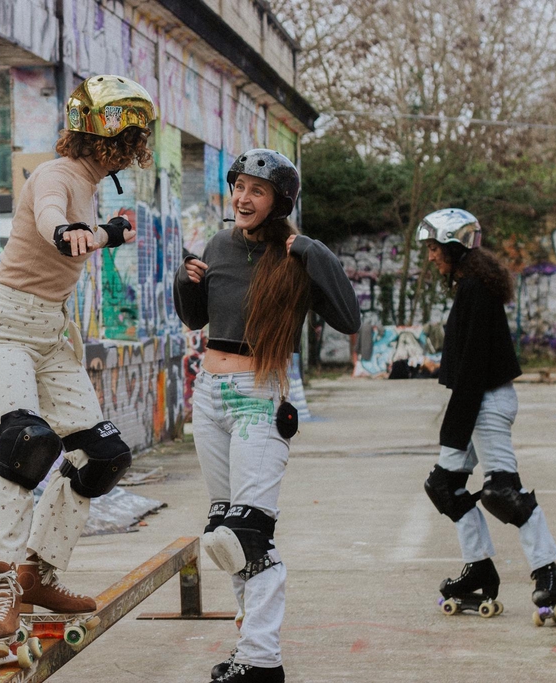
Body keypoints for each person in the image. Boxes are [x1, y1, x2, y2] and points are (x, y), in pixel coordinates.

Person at [0, 75, 155, 656]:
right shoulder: (57, 175)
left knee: (103, 456)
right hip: (4, 330)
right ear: (111, 142)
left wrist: (102, 231)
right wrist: (73, 230)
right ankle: (1, 581)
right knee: (28, 442)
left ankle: (37, 573)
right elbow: (50, 211)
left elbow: (82, 231)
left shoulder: (90, 184)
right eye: (130, 142)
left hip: (51, 337)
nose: (133, 151)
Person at [174, 149, 360, 682]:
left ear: (279, 202)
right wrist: (186, 283)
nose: (243, 198)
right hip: (209, 393)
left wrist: (312, 250)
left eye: (257, 190)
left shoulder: (296, 254)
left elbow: (349, 317)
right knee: (223, 529)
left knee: (248, 532)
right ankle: (250, 647)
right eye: (239, 187)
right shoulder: (218, 245)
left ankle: (262, 659)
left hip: (258, 393)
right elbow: (197, 318)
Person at [417, 208, 556, 625]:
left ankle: (548, 573)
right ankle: (480, 568)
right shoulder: (471, 285)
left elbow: (473, 368)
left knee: (503, 491)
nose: (431, 256)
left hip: (484, 404)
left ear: (454, 246)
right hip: (474, 400)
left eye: (434, 248)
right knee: (444, 487)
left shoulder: (476, 291)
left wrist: (454, 427)